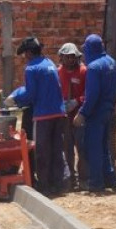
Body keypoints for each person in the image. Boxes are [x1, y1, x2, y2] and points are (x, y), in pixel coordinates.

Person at [5, 36, 69, 196]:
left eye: (24, 54)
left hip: (43, 115)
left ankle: (44, 186)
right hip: (59, 112)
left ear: (28, 53)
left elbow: (30, 94)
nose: (24, 57)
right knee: (57, 149)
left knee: (41, 151)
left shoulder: (31, 68)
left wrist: (15, 97)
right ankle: (59, 184)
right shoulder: (50, 64)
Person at [73, 34, 116, 193]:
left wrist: (82, 113)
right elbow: (115, 89)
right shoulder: (112, 62)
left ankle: (96, 184)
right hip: (108, 110)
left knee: (93, 147)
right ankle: (111, 180)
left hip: (95, 113)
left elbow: (92, 94)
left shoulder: (93, 67)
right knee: (104, 147)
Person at [57, 42, 87, 188]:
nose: (70, 60)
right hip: (64, 117)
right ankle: (70, 179)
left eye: (72, 57)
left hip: (79, 116)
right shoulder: (58, 73)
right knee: (67, 148)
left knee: (82, 147)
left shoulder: (83, 72)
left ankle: (83, 178)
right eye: (67, 57)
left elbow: (89, 93)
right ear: (61, 58)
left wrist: (77, 101)